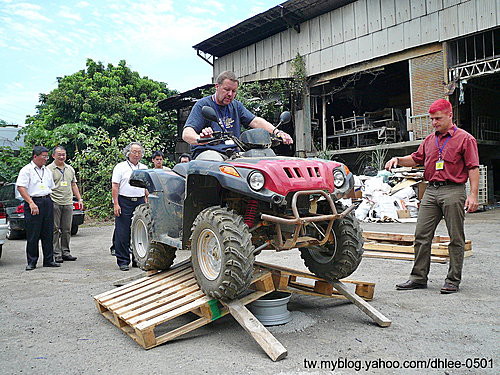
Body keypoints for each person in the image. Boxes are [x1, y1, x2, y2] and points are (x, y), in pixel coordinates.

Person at [385, 99, 479, 294]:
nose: (434, 123)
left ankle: (453, 280)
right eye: (432, 119)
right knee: (421, 235)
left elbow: (473, 167)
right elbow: (416, 159)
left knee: (456, 237)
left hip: (453, 190)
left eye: (438, 118)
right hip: (430, 191)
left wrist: (473, 195)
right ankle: (418, 278)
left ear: (450, 115)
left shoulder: (465, 139)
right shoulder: (429, 140)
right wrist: (398, 160)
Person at [182, 70, 293, 160]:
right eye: (226, 89)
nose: (230, 94)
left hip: (234, 154)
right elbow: (186, 133)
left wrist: (277, 132)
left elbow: (255, 121)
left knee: (264, 160)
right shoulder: (203, 105)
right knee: (213, 161)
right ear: (217, 87)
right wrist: (200, 138)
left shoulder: (236, 106)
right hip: (210, 152)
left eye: (234, 91)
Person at [16, 146, 60, 270]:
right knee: (33, 234)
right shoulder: (27, 170)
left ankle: (49, 259)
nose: (46, 159)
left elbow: (50, 187)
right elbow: (21, 187)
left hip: (46, 200)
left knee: (48, 232)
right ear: (35, 156)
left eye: (47, 156)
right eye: (44, 156)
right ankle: (32, 261)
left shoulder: (47, 171)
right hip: (33, 202)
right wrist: (30, 202)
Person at [111, 142, 148, 271]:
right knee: (123, 232)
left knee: (139, 232)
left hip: (139, 201)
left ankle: (137, 259)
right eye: (134, 152)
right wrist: (116, 203)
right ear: (128, 153)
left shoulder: (144, 167)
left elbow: (146, 187)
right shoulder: (120, 167)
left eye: (139, 152)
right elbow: (115, 186)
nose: (137, 155)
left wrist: (146, 200)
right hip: (124, 201)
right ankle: (123, 260)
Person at [47, 146, 82, 263]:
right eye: (59, 154)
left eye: (64, 154)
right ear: (53, 156)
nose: (62, 157)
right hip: (54, 202)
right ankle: (56, 254)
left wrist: (79, 199)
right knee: (55, 229)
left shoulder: (70, 169)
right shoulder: (48, 169)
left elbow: (73, 185)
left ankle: (65, 252)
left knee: (67, 229)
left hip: (68, 202)